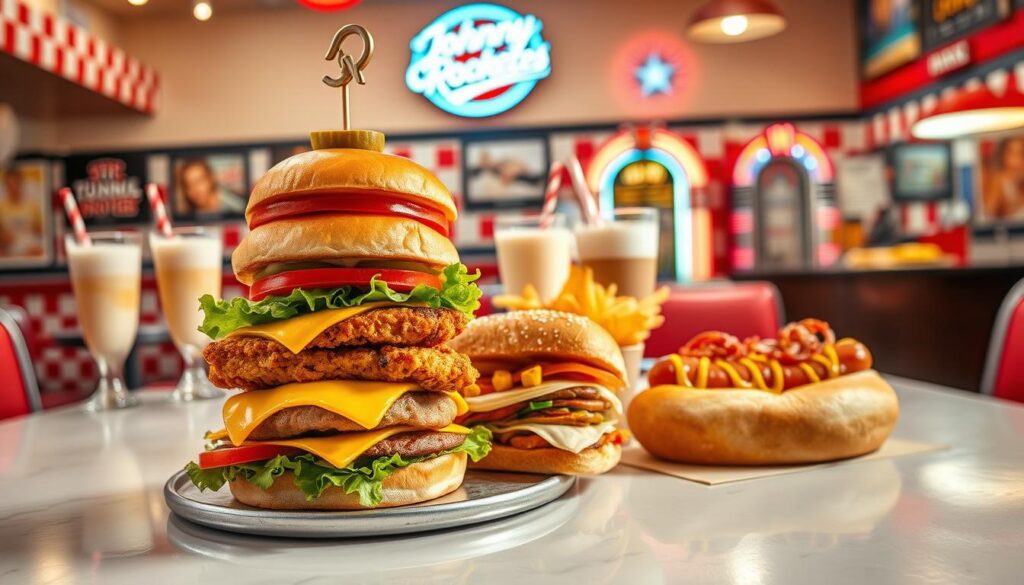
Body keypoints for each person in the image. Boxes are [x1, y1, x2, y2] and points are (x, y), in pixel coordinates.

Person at [0, 167, 44, 257]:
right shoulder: (1, 207)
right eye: (9, 184)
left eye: (15, 183)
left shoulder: (31, 206)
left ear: (21, 184)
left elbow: (41, 230)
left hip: (30, 243)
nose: (13, 188)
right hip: (9, 247)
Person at [176, 158, 246, 215]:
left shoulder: (237, 207)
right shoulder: (187, 215)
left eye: (199, 181)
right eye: (189, 185)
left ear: (211, 178)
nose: (195, 190)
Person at [982, 136, 1024, 221]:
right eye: (1012, 153)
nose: (1016, 160)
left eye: (1021, 154)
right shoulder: (998, 180)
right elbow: (989, 214)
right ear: (1003, 155)